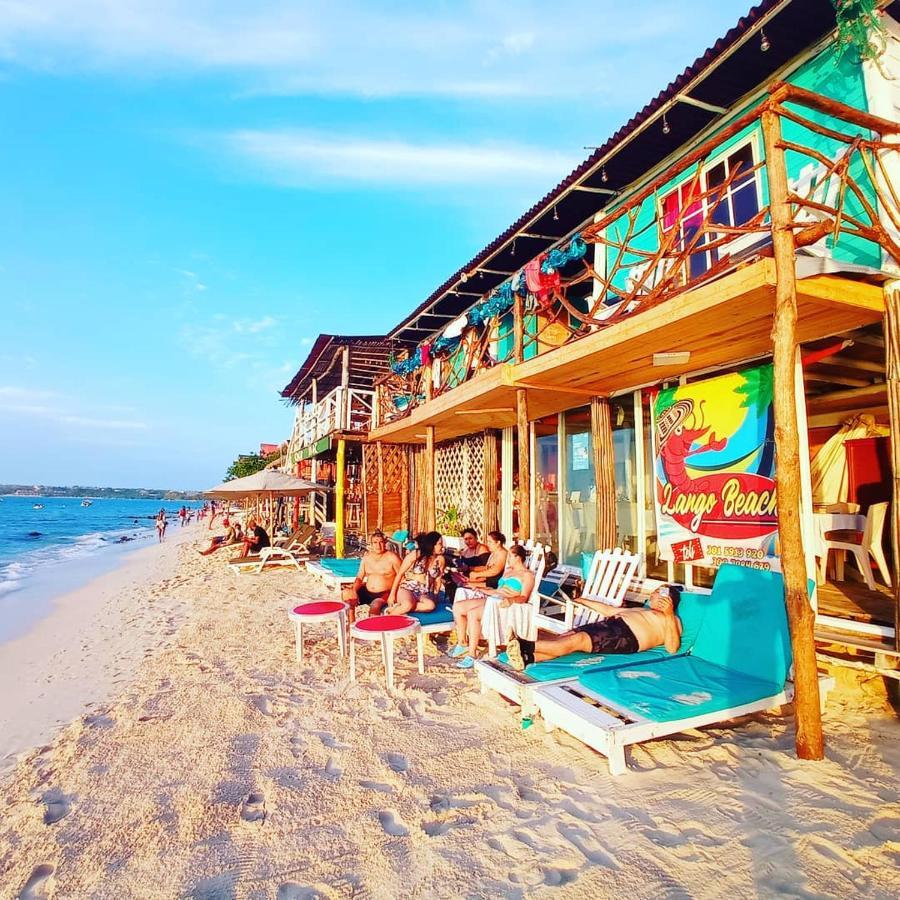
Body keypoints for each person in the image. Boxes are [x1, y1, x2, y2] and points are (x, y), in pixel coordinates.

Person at [505, 584, 683, 671]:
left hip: (626, 637)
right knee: (567, 637)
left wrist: (668, 614)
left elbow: (672, 647)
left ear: (667, 599)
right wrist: (583, 601)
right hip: (610, 625)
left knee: (578, 640)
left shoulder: (672, 620)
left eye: (658, 592)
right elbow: (609, 610)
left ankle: (525, 645)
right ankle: (528, 658)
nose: (651, 593)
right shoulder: (641, 608)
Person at [450, 544, 535, 669]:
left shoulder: (527, 575)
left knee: (473, 614)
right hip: (493, 599)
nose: (508, 559)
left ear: (518, 557)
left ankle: (472, 654)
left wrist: (511, 600)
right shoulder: (508, 572)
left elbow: (524, 597)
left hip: (505, 605)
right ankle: (463, 643)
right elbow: (496, 590)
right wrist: (478, 588)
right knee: (458, 607)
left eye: (510, 556)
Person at [341, 531, 402, 621]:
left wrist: (393, 594)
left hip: (385, 593)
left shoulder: (392, 557)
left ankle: (373, 631)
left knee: (375, 606)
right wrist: (353, 590)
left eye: (381, 542)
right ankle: (352, 627)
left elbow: (401, 576)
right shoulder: (367, 558)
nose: (378, 545)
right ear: (371, 544)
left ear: (385, 543)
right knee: (348, 596)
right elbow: (359, 577)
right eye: (375, 542)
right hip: (368, 591)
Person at [387, 531, 445, 615]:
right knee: (407, 604)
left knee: (430, 605)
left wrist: (435, 596)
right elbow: (400, 574)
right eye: (440, 544)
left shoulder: (440, 560)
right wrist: (392, 595)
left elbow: (438, 579)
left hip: (423, 592)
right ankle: (389, 618)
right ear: (432, 544)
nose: (442, 546)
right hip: (407, 588)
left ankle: (402, 608)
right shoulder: (416, 555)